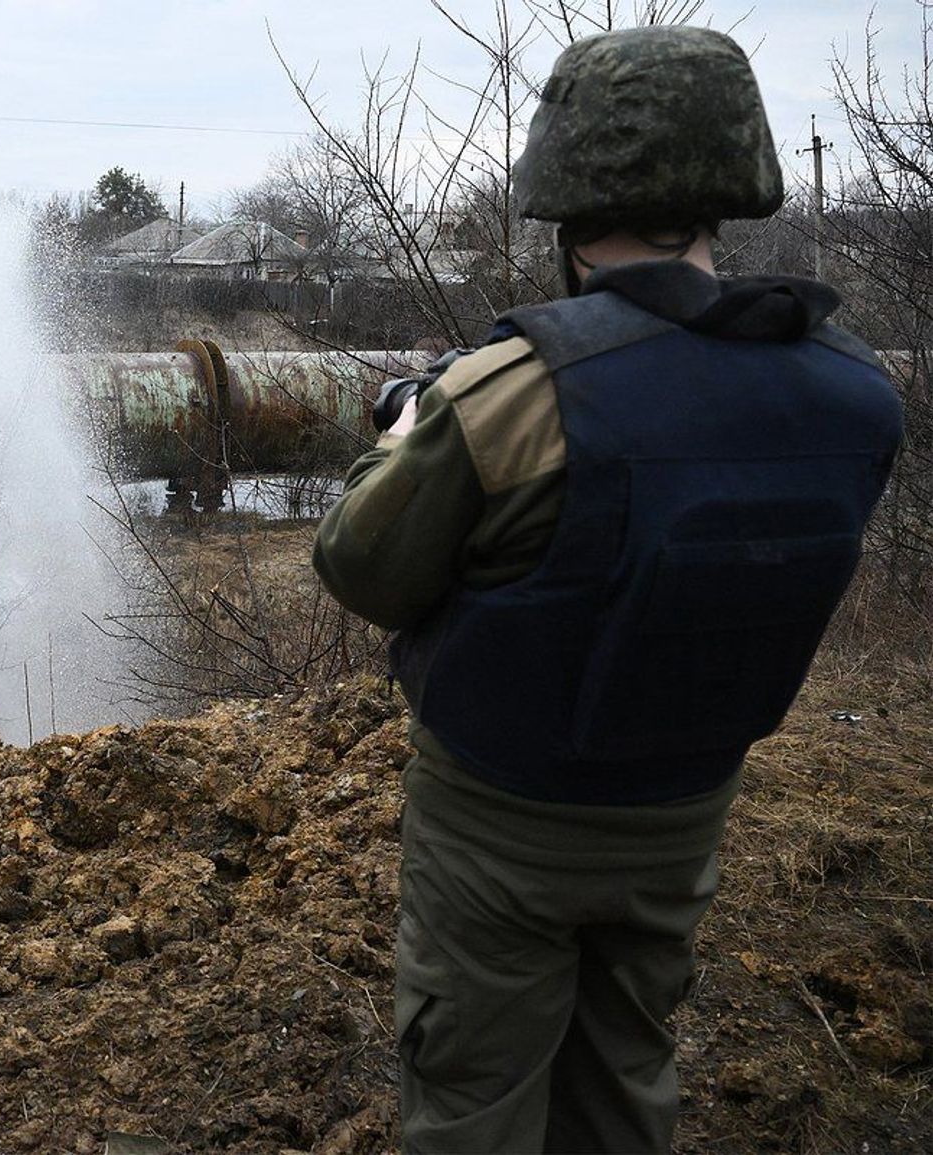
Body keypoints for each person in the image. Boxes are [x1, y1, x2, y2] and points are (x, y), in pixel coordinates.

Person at [312, 26, 903, 1155]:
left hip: (499, 822)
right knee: (626, 1071)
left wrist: (395, 442)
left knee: (474, 1096)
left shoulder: (514, 391)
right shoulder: (856, 392)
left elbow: (362, 568)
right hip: (683, 816)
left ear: (566, 211)